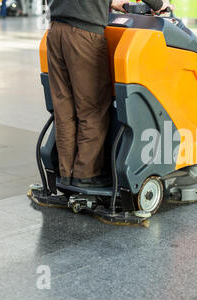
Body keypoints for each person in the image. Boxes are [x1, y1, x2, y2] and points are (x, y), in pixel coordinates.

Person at [47, 0, 171, 188]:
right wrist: (158, 5)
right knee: (92, 108)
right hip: (84, 33)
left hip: (55, 31)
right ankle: (85, 174)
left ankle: (66, 173)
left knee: (64, 108)